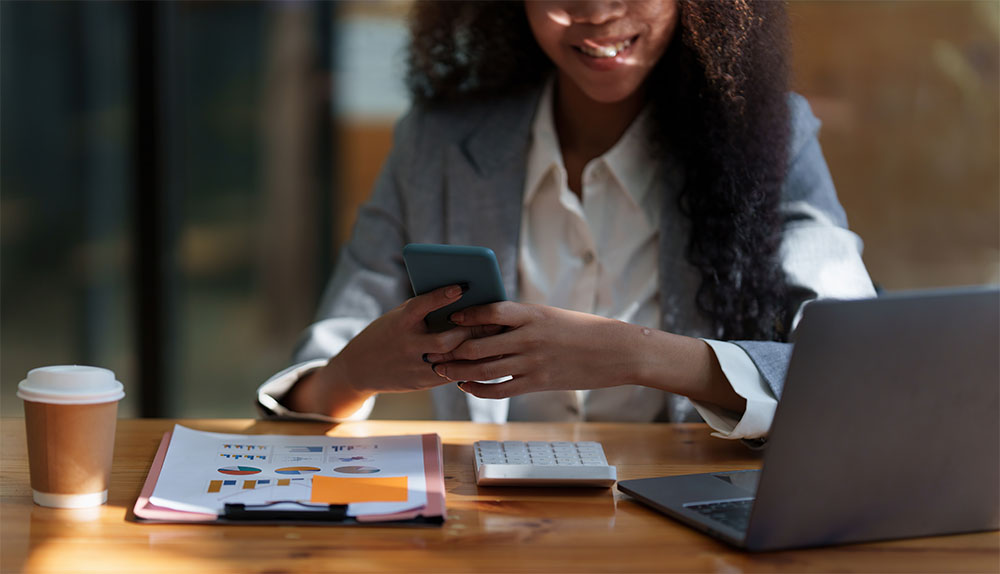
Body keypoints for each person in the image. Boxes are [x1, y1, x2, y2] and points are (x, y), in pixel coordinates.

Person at [256, 0, 874, 441]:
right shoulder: (434, 146)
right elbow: (311, 388)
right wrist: (353, 373)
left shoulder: (772, 139)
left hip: (687, 530)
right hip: (481, 532)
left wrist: (639, 356)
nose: (597, 12)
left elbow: (863, 370)